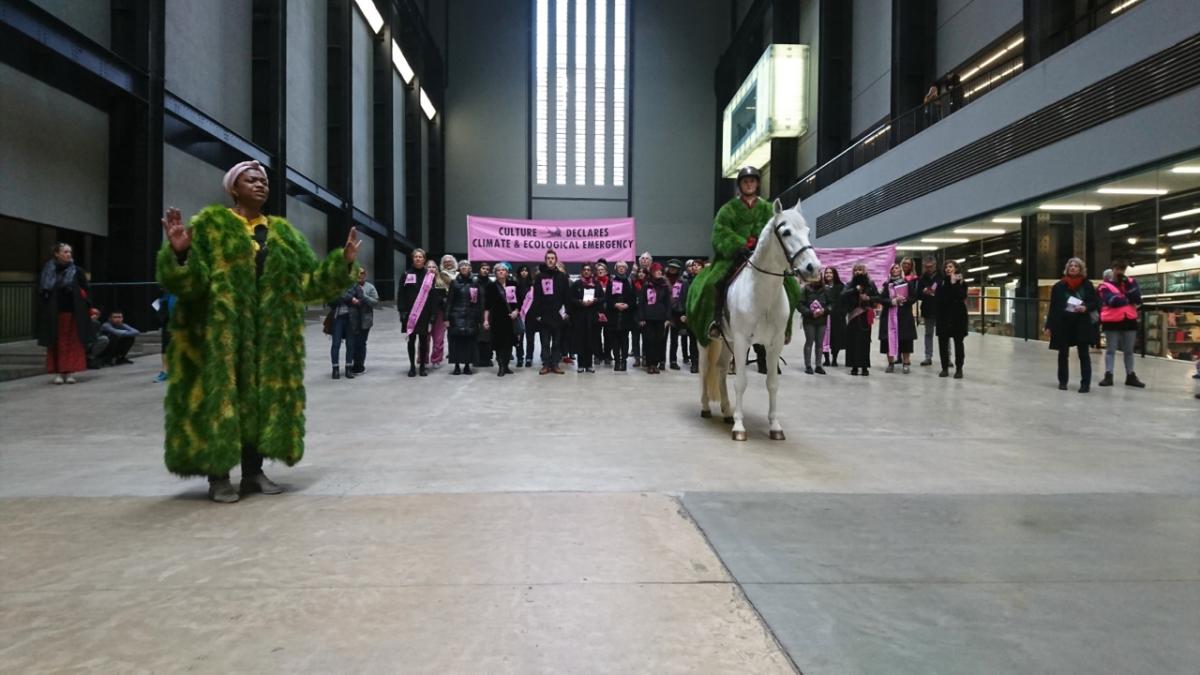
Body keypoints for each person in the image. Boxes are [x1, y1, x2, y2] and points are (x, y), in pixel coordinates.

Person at [158, 159, 360, 502]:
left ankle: (253, 473)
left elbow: (308, 284)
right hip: (221, 334)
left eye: (263, 180)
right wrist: (180, 255)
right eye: (251, 180)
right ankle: (218, 477)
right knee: (221, 401)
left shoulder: (282, 234)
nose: (260, 185)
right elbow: (191, 285)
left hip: (269, 336)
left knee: (260, 403)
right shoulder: (211, 226)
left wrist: (343, 264)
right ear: (234, 188)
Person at [38, 242, 91, 385]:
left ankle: (69, 372)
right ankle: (58, 372)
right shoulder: (49, 270)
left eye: (70, 252)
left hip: (73, 312)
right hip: (55, 313)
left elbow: (86, 289)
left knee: (72, 342)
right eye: (65, 252)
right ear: (57, 253)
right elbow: (43, 292)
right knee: (56, 342)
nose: (68, 255)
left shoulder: (77, 271)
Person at [1044, 257, 1099, 393]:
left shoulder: (1087, 285)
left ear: (1081, 269)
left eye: (1076, 266)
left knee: (1084, 354)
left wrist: (1086, 307)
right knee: (1063, 354)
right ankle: (1063, 382)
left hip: (1082, 323)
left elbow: (1095, 302)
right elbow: (1054, 307)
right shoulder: (1059, 286)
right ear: (1067, 269)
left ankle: (1085, 384)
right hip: (1064, 323)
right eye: (1071, 266)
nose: (1073, 268)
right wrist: (1049, 325)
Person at [1097, 260, 1146, 388]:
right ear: (1113, 269)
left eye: (1123, 269)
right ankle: (1109, 375)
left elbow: (1137, 298)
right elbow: (1112, 301)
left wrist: (1127, 288)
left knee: (1129, 350)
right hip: (1112, 321)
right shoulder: (1104, 286)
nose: (1120, 272)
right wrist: (1128, 299)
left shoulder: (1131, 282)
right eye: (1118, 269)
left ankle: (1130, 375)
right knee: (1111, 350)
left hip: (1129, 320)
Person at [398, 248, 435, 378]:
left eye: (420, 257)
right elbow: (401, 294)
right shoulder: (406, 274)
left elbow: (433, 296)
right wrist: (402, 311)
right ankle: (412, 367)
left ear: (424, 259)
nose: (418, 259)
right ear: (412, 259)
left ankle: (423, 366)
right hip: (410, 313)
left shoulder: (430, 275)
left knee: (424, 341)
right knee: (411, 340)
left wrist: (432, 315)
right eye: (416, 257)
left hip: (424, 313)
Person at [533, 250, 569, 374]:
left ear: (556, 260)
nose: (550, 260)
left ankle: (555, 364)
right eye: (548, 258)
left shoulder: (562, 277)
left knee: (557, 342)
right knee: (545, 342)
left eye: (552, 258)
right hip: (544, 314)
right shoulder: (539, 277)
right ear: (545, 260)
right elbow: (536, 296)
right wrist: (537, 314)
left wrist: (566, 312)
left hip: (558, 315)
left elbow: (566, 296)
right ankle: (546, 364)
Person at [878, 263, 917, 373]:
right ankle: (890, 363)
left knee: (905, 340)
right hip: (889, 316)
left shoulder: (907, 283)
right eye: (893, 268)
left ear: (901, 270)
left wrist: (904, 300)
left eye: (897, 267)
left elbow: (913, 298)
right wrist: (892, 301)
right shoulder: (886, 284)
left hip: (904, 315)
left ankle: (906, 363)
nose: (895, 269)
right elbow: (881, 299)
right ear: (890, 271)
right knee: (888, 340)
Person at [445, 259, 482, 375]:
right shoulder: (454, 283)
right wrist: (446, 318)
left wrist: (479, 318)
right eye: (462, 266)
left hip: (471, 316)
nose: (464, 268)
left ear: (470, 269)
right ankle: (456, 366)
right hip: (456, 316)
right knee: (456, 342)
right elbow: (449, 301)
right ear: (459, 269)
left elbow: (478, 301)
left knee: (469, 342)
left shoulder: (475, 282)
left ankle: (467, 366)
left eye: (467, 266)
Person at [842, 263, 880, 376]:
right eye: (856, 270)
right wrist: (854, 290)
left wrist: (868, 298)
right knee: (853, 341)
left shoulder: (871, 284)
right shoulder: (850, 284)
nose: (858, 272)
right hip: (853, 316)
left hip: (865, 316)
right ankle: (854, 366)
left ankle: (864, 367)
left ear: (865, 271)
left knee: (865, 342)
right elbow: (843, 294)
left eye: (860, 270)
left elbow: (878, 297)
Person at [483, 262, 520, 376]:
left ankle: (507, 365)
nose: (501, 272)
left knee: (509, 343)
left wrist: (516, 311)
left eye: (503, 270)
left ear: (507, 272)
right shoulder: (491, 286)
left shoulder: (513, 284)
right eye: (498, 270)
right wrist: (485, 320)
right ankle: (501, 366)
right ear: (495, 273)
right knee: (499, 343)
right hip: (497, 318)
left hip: (511, 318)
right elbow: (487, 306)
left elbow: (520, 301)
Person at [569, 262, 606, 373]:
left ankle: (589, 364)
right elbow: (571, 299)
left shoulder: (596, 284)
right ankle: (580, 364)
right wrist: (580, 302)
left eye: (588, 270)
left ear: (591, 272)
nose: (586, 271)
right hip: (579, 317)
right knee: (580, 340)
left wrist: (595, 300)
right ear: (581, 271)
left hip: (592, 316)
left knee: (591, 340)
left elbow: (602, 298)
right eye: (584, 269)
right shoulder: (576, 284)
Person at [935, 260, 968, 378]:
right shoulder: (941, 282)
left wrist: (954, 284)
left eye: (950, 267)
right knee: (942, 343)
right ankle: (944, 368)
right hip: (944, 316)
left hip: (958, 316)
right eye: (946, 267)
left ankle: (959, 368)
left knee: (958, 343)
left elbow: (961, 296)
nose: (948, 269)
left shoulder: (962, 282)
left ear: (956, 269)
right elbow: (939, 298)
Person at [638, 262, 671, 374]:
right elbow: (641, 302)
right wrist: (641, 317)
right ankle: (649, 364)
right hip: (648, 317)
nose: (659, 273)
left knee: (658, 341)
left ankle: (655, 364)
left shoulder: (664, 286)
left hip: (660, 318)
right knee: (649, 341)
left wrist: (667, 318)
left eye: (660, 271)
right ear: (652, 272)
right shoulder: (646, 285)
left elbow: (668, 303)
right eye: (657, 271)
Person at [606, 260, 635, 371]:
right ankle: (617, 361)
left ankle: (624, 361)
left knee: (625, 340)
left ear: (626, 269)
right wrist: (615, 305)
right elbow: (607, 299)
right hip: (614, 316)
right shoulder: (611, 281)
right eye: (619, 267)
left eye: (623, 267)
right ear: (616, 268)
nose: (621, 268)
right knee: (615, 340)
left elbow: (633, 299)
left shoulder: (630, 282)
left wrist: (627, 305)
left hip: (626, 316)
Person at [797, 276, 830, 375]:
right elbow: (799, 305)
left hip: (822, 320)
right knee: (809, 342)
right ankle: (808, 365)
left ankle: (818, 365)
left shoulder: (826, 290)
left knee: (820, 344)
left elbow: (832, 304)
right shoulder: (805, 289)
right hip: (809, 320)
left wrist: (825, 310)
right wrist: (810, 312)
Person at [429, 254, 457, 369]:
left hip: (456, 308)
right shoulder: (439, 276)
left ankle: (454, 353)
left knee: (453, 334)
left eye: (450, 261)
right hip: (441, 308)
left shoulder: (459, 273)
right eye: (445, 262)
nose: (448, 263)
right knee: (434, 336)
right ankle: (427, 359)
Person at [329, 281, 359, 379]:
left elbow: (359, 297)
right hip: (338, 318)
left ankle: (348, 368)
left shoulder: (353, 284)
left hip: (351, 317)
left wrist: (342, 296)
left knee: (350, 344)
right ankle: (335, 368)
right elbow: (330, 301)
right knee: (336, 344)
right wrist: (349, 298)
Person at [351, 267, 379, 375]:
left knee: (361, 343)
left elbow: (375, 301)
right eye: (357, 273)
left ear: (365, 275)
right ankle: (353, 363)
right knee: (352, 343)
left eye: (362, 273)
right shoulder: (351, 286)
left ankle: (360, 365)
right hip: (352, 319)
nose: (359, 275)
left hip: (365, 321)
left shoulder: (370, 287)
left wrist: (364, 296)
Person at [915, 256, 941, 366]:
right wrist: (923, 293)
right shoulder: (922, 278)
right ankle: (928, 356)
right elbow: (917, 294)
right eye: (926, 267)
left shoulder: (942, 276)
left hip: (941, 308)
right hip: (927, 309)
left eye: (930, 266)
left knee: (944, 334)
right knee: (928, 333)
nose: (928, 269)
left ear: (935, 265)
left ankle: (947, 357)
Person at [679, 260, 701, 373]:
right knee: (692, 340)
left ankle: (703, 362)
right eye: (693, 266)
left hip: (703, 316)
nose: (695, 267)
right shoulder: (687, 282)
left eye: (697, 265)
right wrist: (683, 313)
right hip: (691, 315)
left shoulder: (706, 281)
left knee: (702, 341)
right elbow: (683, 298)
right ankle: (694, 363)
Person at [822, 267, 846, 367]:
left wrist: (841, 313)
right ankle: (826, 359)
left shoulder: (841, 287)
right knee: (824, 338)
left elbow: (843, 302)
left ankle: (834, 359)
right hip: (824, 316)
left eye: (830, 273)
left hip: (837, 317)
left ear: (834, 274)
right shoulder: (821, 287)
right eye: (826, 273)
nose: (828, 274)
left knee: (836, 338)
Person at [153, 289, 176, 382]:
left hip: (184, 321)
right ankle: (165, 372)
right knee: (165, 347)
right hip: (168, 322)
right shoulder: (167, 292)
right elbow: (162, 305)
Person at [516, 264, 536, 367]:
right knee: (519, 338)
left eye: (526, 270)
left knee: (530, 338)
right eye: (522, 270)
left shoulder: (532, 285)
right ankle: (520, 358)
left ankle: (529, 357)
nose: (524, 272)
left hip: (530, 314)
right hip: (519, 314)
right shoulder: (515, 284)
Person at [475, 262, 495, 367]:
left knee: (488, 336)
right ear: (479, 269)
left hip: (488, 312)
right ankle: (477, 358)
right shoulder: (474, 282)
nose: (485, 270)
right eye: (483, 268)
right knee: (477, 336)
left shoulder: (491, 284)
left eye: (487, 269)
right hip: (476, 312)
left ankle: (488, 358)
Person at [594, 261, 612, 365]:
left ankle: (607, 355)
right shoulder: (593, 282)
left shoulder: (611, 282)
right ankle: (597, 355)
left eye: (602, 270)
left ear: (606, 271)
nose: (600, 272)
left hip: (609, 312)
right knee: (596, 335)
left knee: (608, 335)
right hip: (596, 312)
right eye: (598, 270)